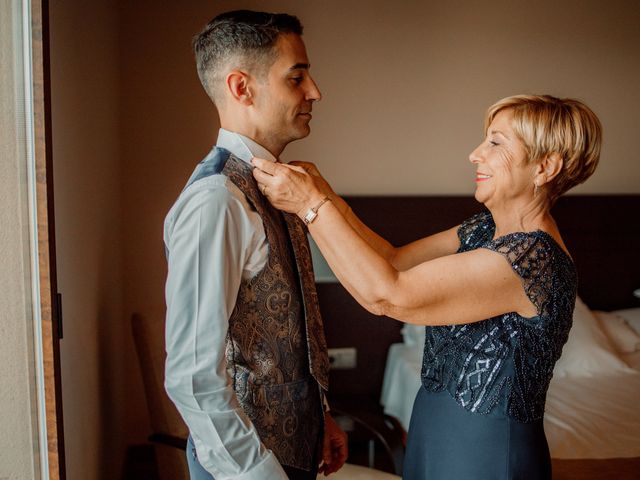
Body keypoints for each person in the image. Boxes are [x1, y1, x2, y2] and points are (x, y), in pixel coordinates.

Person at [252, 94, 602, 479]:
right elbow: (394, 259)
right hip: (435, 429)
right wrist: (327, 195)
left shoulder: (531, 260)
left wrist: (311, 206)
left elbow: (388, 294)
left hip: (485, 452)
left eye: (496, 142)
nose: (475, 154)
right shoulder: (486, 228)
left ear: (544, 167)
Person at [163, 10, 347, 480]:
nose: (315, 92)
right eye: (297, 77)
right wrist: (256, 472)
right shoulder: (216, 201)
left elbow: (285, 325)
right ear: (242, 88)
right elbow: (192, 375)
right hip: (246, 465)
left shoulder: (276, 183)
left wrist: (316, 415)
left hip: (296, 449)